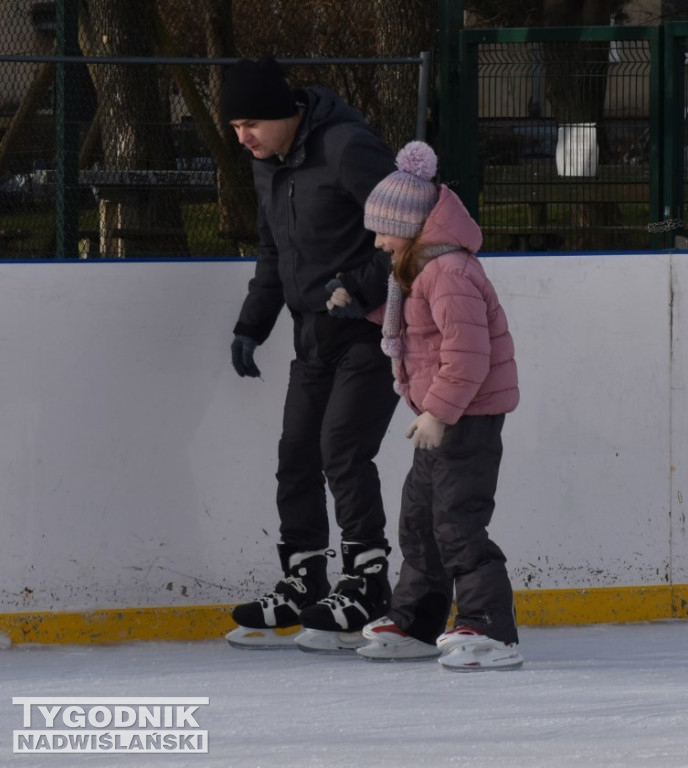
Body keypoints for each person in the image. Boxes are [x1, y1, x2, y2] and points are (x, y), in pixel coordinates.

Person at [220, 57, 399, 652]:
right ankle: (303, 581)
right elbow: (273, 252)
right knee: (296, 455)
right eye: (234, 126)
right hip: (310, 337)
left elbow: (409, 229)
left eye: (249, 124)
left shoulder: (348, 148)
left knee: (341, 450)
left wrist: (360, 285)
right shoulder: (267, 165)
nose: (241, 137)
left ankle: (367, 583)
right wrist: (253, 324)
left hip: (368, 331)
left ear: (283, 113)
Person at [333, 140, 523, 670]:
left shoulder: (450, 272)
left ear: (413, 226)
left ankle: (492, 627)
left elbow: (468, 354)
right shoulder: (420, 270)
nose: (377, 242)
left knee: (458, 523)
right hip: (440, 416)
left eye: (383, 230)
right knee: (419, 521)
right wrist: (363, 310)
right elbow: (420, 331)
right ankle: (419, 620)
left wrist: (438, 412)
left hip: (466, 416)